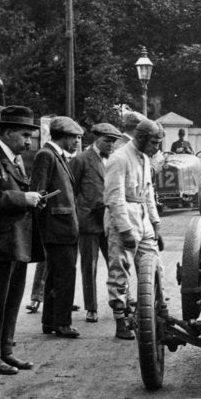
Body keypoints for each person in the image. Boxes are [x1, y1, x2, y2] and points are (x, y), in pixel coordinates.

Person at [0, 106, 42, 374]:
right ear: (8, 132)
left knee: (11, 299)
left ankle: (4, 350)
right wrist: (23, 199)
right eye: (25, 135)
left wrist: (32, 202)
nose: (28, 141)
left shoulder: (13, 158)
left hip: (13, 242)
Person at [104, 119, 163, 341]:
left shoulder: (145, 159)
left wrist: (156, 224)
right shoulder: (119, 158)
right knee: (120, 271)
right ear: (140, 138)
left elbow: (148, 194)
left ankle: (149, 313)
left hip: (143, 218)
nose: (157, 147)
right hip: (124, 219)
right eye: (154, 142)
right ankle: (121, 320)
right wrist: (125, 229)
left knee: (154, 266)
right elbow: (114, 197)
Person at [31, 116, 84, 339]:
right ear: (62, 136)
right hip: (56, 229)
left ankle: (50, 320)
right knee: (65, 276)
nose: (77, 142)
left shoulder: (57, 156)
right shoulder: (46, 155)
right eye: (74, 138)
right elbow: (38, 193)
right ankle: (62, 323)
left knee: (55, 275)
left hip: (62, 228)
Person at [69, 122, 121, 324]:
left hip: (109, 220)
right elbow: (71, 190)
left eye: (114, 142)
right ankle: (91, 308)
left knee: (115, 264)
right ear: (96, 139)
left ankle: (121, 301)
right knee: (88, 267)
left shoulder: (115, 160)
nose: (111, 145)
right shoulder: (81, 160)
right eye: (107, 141)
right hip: (89, 221)